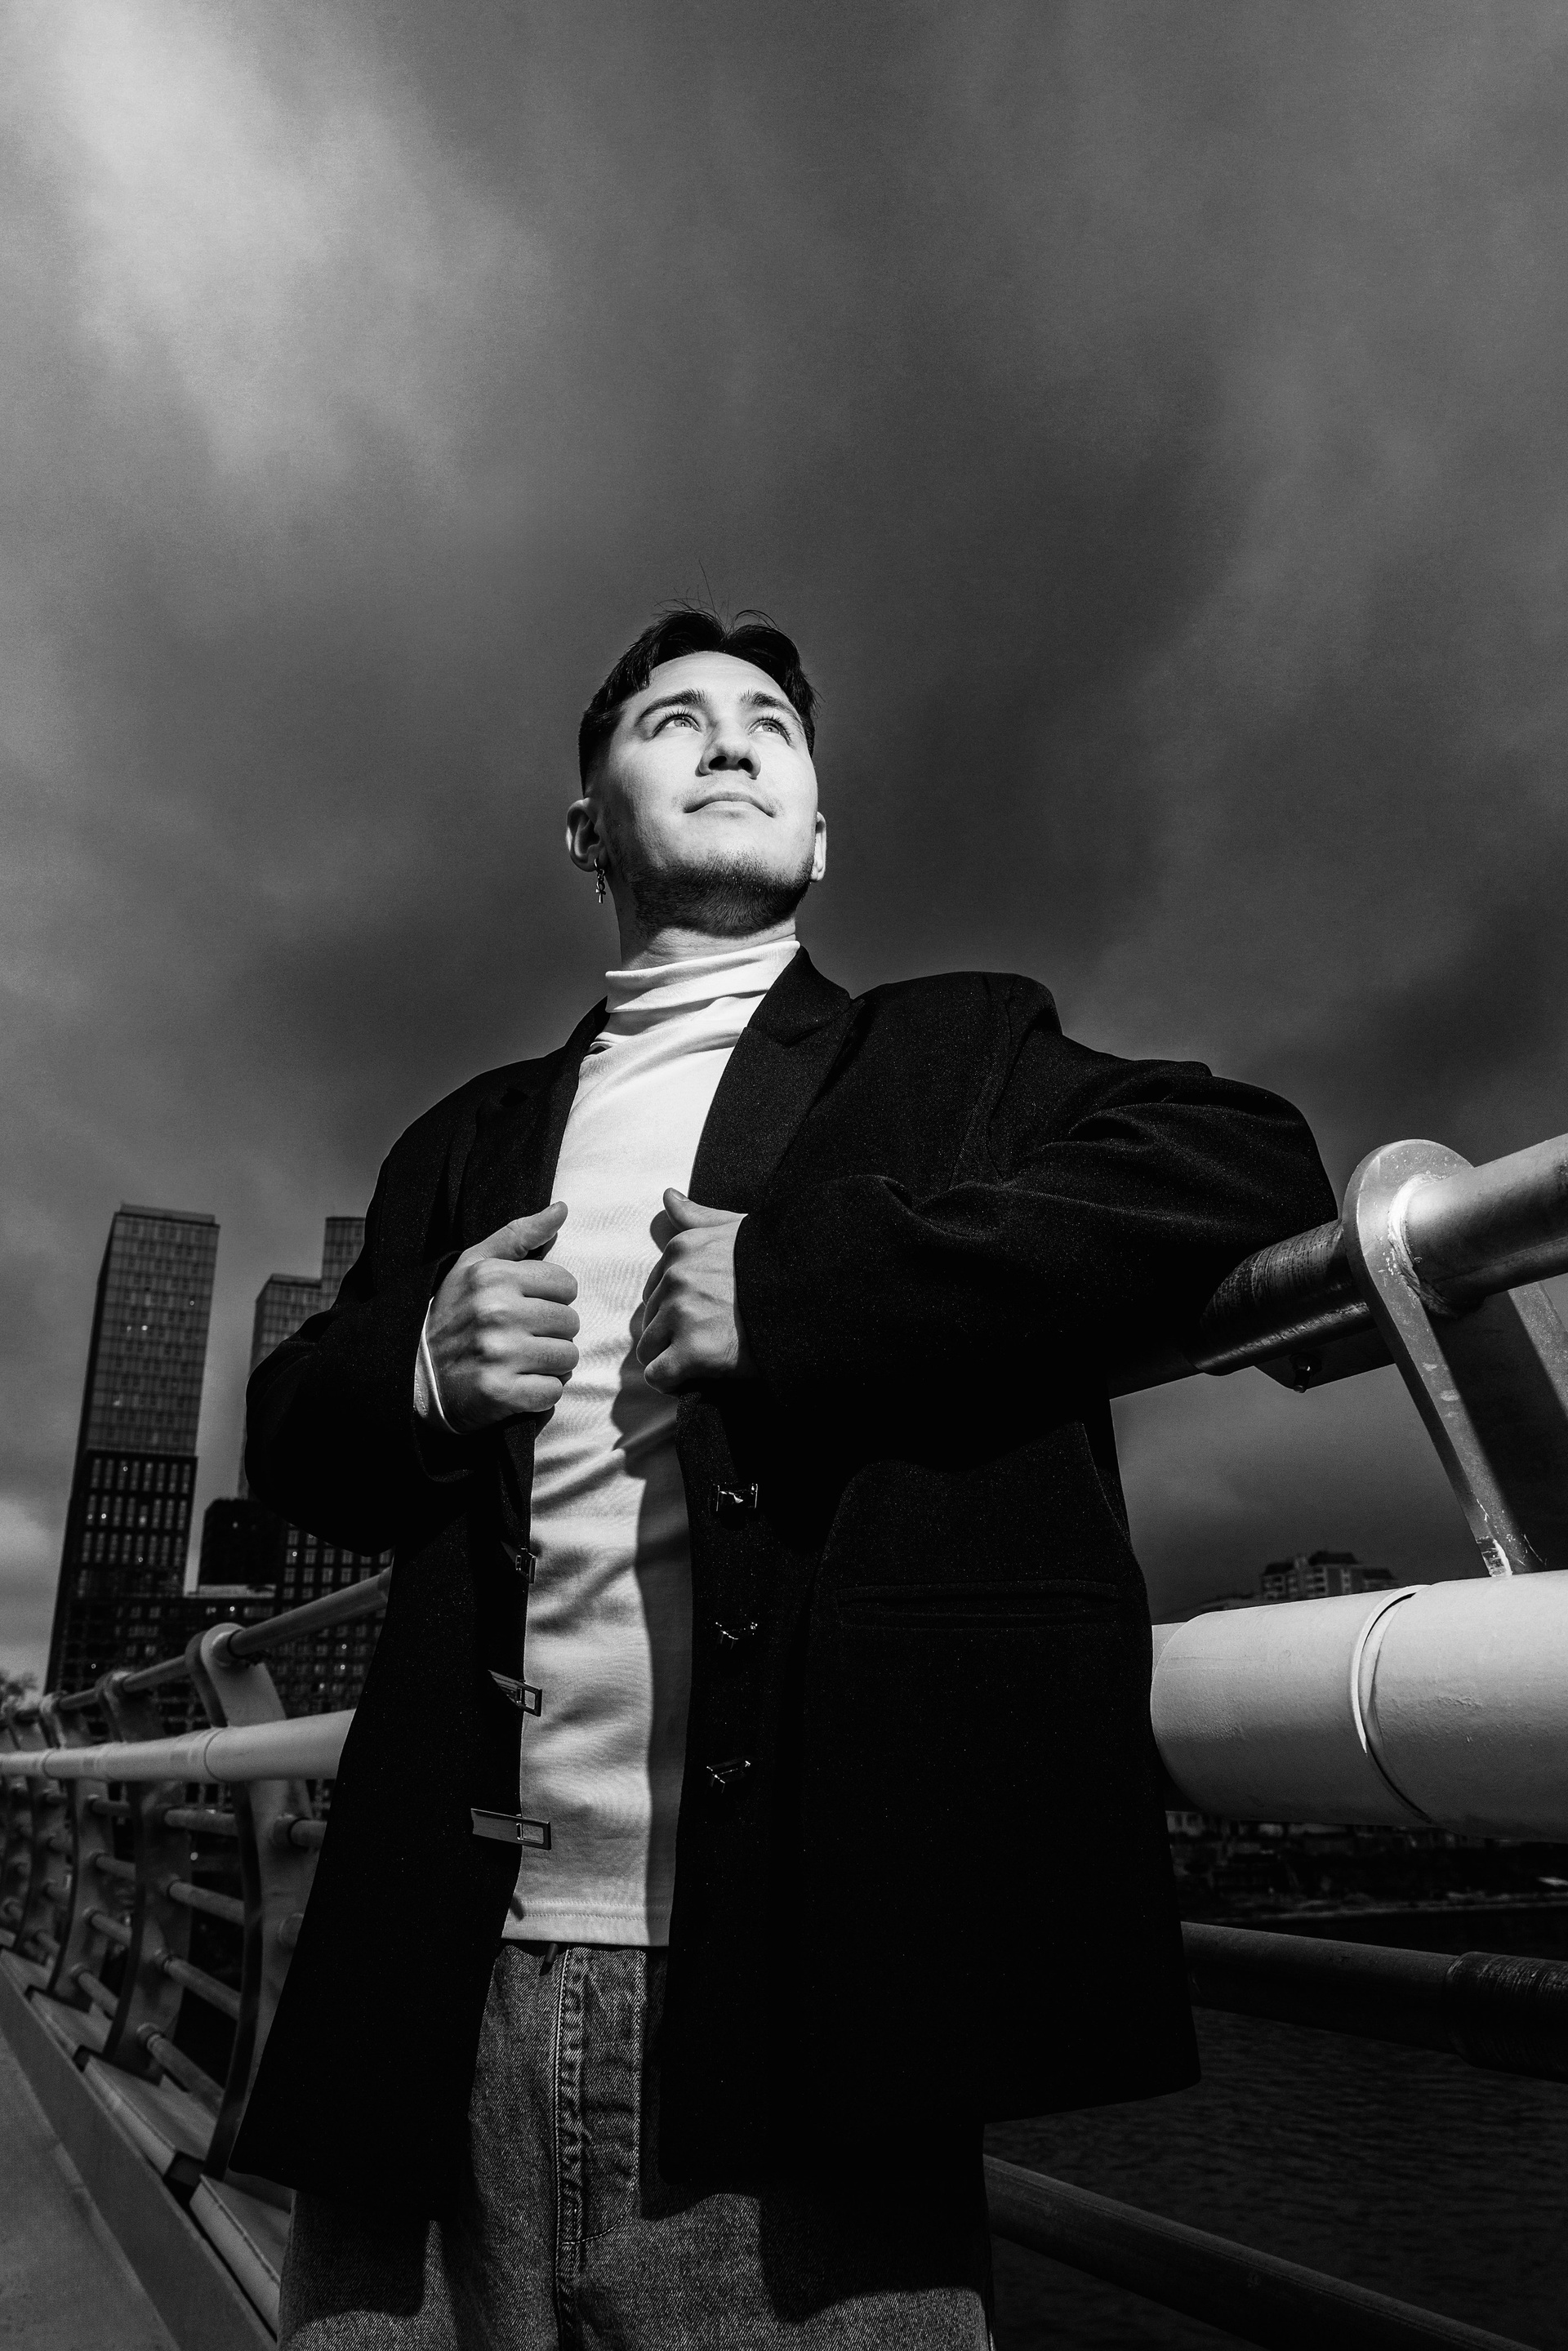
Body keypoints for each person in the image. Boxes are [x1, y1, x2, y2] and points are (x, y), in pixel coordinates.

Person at [237, 607, 1336, 2347]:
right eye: (671, 719)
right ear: (586, 829)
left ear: (821, 834)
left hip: (808, 2005)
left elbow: (1250, 1163)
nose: (730, 738)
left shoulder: (959, 1048)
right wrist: (423, 1369)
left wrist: (808, 1289)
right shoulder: (462, 1138)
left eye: (770, 722)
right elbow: (288, 1428)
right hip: (431, 1984)